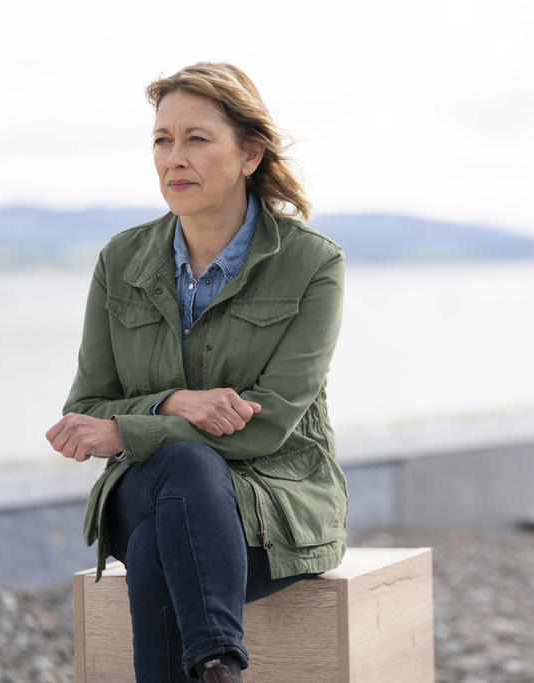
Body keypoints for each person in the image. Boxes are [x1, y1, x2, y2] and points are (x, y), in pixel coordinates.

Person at [45, 62, 347, 683]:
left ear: (250, 154)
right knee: (182, 468)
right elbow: (88, 407)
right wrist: (172, 403)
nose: (173, 158)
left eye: (197, 139)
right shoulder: (121, 260)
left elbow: (268, 426)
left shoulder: (313, 266)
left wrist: (132, 431)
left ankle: (212, 665)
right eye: (162, 139)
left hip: (275, 510)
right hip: (150, 488)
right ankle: (219, 666)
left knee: (160, 549)